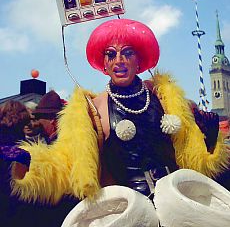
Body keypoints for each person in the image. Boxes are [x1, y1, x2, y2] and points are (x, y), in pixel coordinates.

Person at [11, 19, 229, 204]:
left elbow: (195, 158)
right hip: (126, 207)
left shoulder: (164, 98)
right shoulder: (92, 109)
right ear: (104, 63)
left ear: (139, 60)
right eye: (111, 54)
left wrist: (209, 138)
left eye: (127, 53)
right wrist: (30, 160)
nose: (119, 61)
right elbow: (68, 161)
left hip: (175, 200)